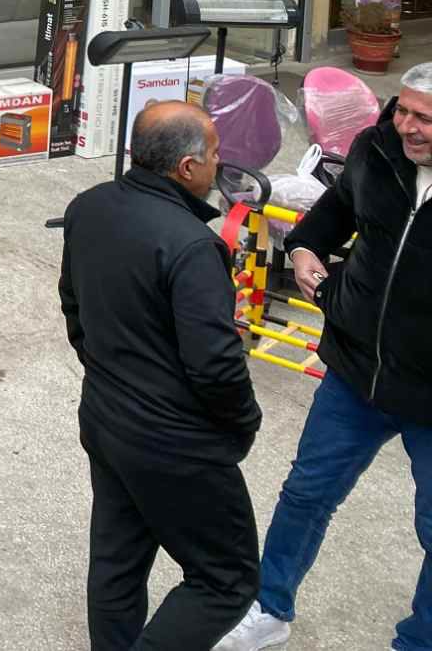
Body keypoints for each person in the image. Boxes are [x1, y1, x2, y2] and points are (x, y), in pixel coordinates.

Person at [217, 62, 432, 651]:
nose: (406, 127)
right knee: (307, 494)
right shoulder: (377, 148)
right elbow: (337, 208)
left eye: (424, 118)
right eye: (403, 110)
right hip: (355, 370)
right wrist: (307, 247)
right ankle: (268, 608)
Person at [61, 100, 263, 649]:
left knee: (117, 561)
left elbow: (74, 306)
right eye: (215, 153)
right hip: (174, 444)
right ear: (187, 167)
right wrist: (243, 423)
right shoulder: (193, 245)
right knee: (226, 580)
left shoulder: (89, 206)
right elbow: (216, 365)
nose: (220, 163)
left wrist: (109, 374)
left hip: (105, 419)